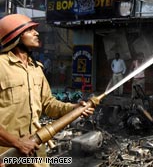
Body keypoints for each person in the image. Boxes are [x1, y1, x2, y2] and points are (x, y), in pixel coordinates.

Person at [0, 14, 94, 166]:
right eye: (30, 30)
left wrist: (74, 108)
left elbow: (49, 104)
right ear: (15, 36)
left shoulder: (36, 68)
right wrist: (17, 143)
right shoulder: (1, 66)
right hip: (7, 156)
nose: (36, 33)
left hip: (36, 154)